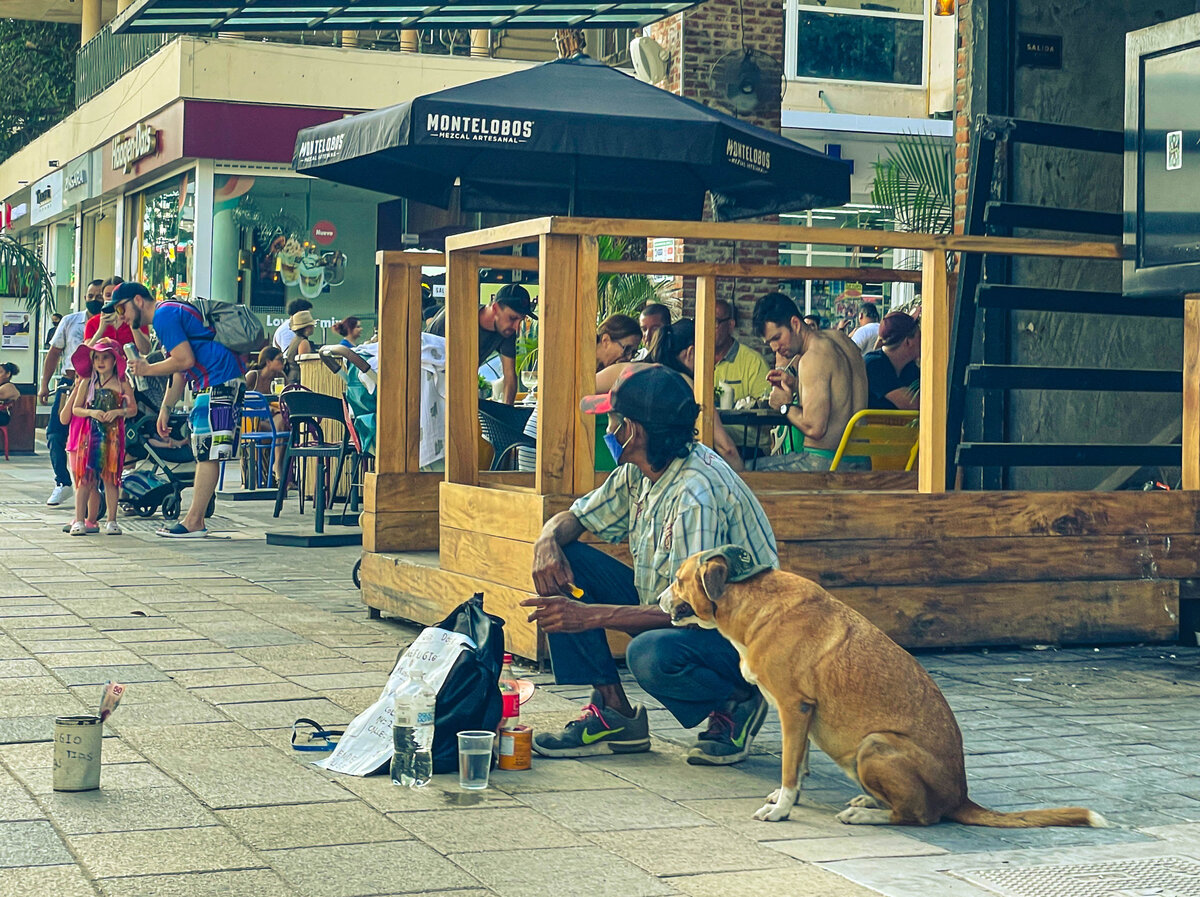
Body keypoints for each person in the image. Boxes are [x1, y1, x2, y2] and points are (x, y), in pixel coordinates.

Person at [522, 364, 778, 765]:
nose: (607, 427)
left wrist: (588, 616)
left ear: (633, 431)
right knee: (561, 562)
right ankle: (614, 713)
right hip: (676, 608)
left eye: (612, 419)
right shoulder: (638, 471)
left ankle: (739, 699)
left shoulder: (696, 495)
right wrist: (547, 539)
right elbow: (579, 517)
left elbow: (692, 612)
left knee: (650, 655)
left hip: (737, 635)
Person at [117, 282, 247, 538]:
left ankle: (194, 521)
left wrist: (146, 369)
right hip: (218, 382)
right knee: (206, 451)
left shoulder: (164, 315)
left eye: (122, 308)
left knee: (207, 452)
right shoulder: (168, 313)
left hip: (218, 382)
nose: (122, 316)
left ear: (138, 300)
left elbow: (184, 360)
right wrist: (166, 408)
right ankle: (194, 519)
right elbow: (180, 370)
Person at [751, 291, 868, 472]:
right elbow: (841, 391)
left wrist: (785, 406)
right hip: (861, 463)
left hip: (825, 464)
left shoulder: (811, 358)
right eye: (770, 343)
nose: (775, 347)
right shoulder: (843, 341)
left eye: (777, 338)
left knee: (744, 471)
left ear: (795, 324)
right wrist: (795, 383)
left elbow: (815, 429)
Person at [517, 314, 642, 471]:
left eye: (634, 352)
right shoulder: (581, 364)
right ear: (605, 340)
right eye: (627, 349)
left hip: (543, 447)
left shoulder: (593, 368)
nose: (629, 357)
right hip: (542, 452)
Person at [650, 318, 745, 472]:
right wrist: (745, 483)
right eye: (708, 355)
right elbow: (726, 448)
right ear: (691, 352)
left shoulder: (649, 374)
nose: (712, 364)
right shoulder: (691, 387)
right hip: (682, 474)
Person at [39, 284, 103, 507]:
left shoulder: (111, 322)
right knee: (56, 433)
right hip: (70, 384)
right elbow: (54, 352)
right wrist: (44, 384)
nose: (94, 300)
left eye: (99, 296)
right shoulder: (70, 320)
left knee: (98, 437)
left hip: (102, 386)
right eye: (90, 296)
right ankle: (63, 482)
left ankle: (100, 487)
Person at [66, 339, 136, 536]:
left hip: (113, 437)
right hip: (90, 436)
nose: (101, 361)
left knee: (111, 479)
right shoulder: (87, 382)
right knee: (85, 479)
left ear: (115, 360)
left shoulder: (122, 383)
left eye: (105, 357)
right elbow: (76, 409)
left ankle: (112, 520)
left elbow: (133, 409)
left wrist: (118, 412)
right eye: (97, 357)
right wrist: (92, 413)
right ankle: (79, 520)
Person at [425, 282, 535, 405]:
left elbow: (509, 376)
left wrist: (507, 412)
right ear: (495, 308)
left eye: (520, 320)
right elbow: (426, 362)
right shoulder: (457, 317)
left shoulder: (506, 331)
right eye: (513, 318)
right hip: (427, 382)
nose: (516, 327)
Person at [713, 299, 770, 404]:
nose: (708, 328)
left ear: (730, 325)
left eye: (715, 322)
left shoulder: (753, 363)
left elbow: (765, 408)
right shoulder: (694, 360)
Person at [863, 311, 920, 411]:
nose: (923, 340)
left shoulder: (909, 367)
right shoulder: (874, 365)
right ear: (908, 341)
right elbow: (913, 403)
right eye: (919, 336)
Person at [88, 282, 150, 352]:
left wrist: (133, 324)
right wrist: (100, 330)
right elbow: (84, 355)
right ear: (103, 297)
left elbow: (145, 350)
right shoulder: (92, 322)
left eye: (116, 296)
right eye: (108, 295)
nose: (112, 299)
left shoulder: (137, 319)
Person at [283, 309, 318, 384]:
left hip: (292, 377)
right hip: (299, 378)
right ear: (307, 327)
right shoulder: (303, 342)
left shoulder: (295, 340)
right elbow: (304, 365)